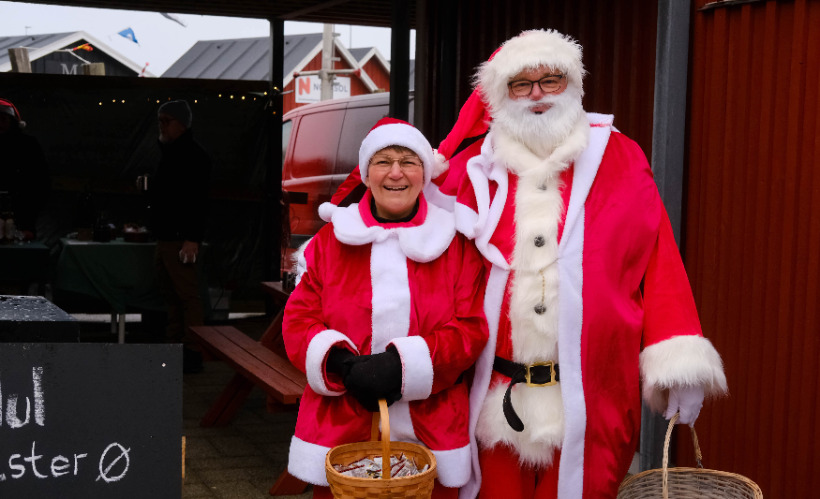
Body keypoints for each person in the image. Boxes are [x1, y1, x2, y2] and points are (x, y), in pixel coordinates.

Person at [417, 29, 727, 498]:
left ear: (575, 85)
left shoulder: (619, 156)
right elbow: (415, 250)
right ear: (501, 95)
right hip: (492, 398)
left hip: (592, 396)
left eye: (551, 79)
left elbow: (658, 259)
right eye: (521, 83)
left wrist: (677, 364)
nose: (537, 93)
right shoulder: (472, 169)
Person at [283, 118, 489, 499]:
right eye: (383, 161)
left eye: (408, 161)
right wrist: (339, 363)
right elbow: (299, 319)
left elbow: (470, 327)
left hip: (430, 423)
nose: (396, 172)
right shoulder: (331, 241)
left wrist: (404, 366)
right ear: (366, 173)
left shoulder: (455, 243)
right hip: (342, 421)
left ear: (425, 172)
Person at [139, 100, 211, 373]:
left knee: (187, 295)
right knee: (170, 293)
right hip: (167, 235)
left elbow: (197, 200)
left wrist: (192, 237)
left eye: (166, 120)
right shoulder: (171, 154)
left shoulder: (193, 156)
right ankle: (176, 345)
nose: (161, 125)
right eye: (160, 120)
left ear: (181, 123)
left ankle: (192, 350)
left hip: (180, 238)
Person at [0, 98, 50, 241]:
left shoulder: (28, 145)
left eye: (3, 119)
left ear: (12, 121)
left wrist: (29, 215)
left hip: (23, 214)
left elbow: (41, 182)